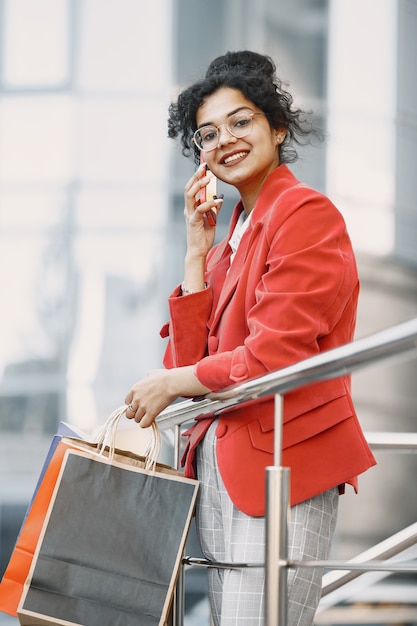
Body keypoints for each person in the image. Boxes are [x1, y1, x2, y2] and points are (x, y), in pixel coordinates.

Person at [124, 50, 376, 626]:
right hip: (222, 471)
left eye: (241, 122)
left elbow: (273, 356)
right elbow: (190, 365)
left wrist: (171, 382)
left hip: (278, 468)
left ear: (277, 127)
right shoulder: (230, 239)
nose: (224, 141)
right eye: (207, 134)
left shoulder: (305, 215)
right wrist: (195, 250)